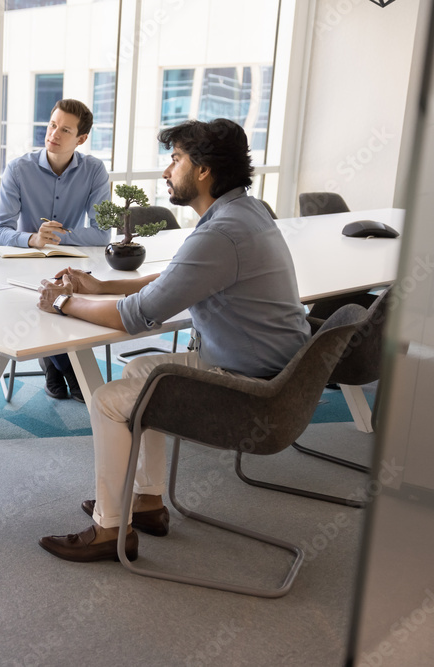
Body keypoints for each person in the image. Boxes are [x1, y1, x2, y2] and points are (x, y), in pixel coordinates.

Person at [34, 118, 311, 562]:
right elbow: (179, 277)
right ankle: (146, 501)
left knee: (108, 399)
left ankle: (110, 530)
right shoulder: (245, 212)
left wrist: (63, 304)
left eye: (176, 159)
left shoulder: (220, 232)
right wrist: (101, 287)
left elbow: (137, 316)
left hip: (251, 390)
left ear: (203, 171)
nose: (167, 171)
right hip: (276, 373)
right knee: (142, 370)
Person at [0, 98, 112, 403]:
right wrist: (33, 239)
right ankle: (71, 372)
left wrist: (58, 237)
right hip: (24, 265)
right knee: (52, 297)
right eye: (52, 125)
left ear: (81, 139)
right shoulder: (18, 169)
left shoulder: (95, 171)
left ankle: (52, 366)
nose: (54, 134)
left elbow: (102, 232)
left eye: (65, 130)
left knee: (64, 293)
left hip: (70, 265)